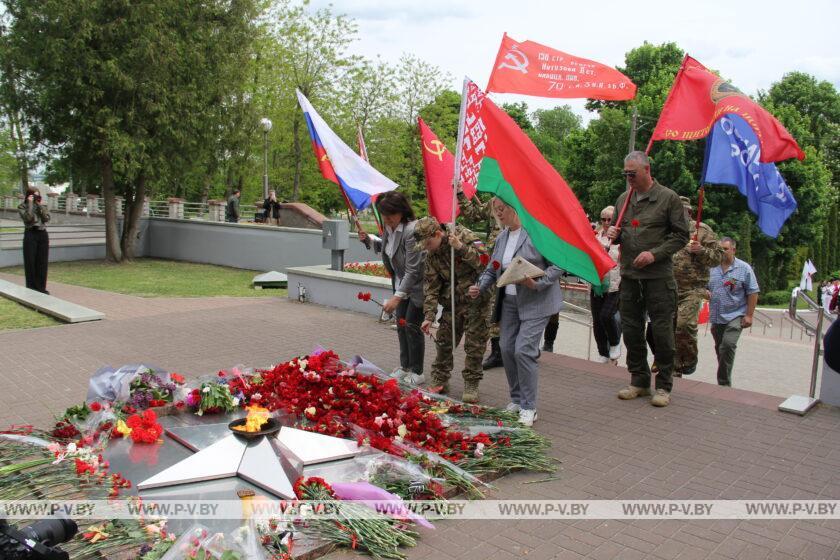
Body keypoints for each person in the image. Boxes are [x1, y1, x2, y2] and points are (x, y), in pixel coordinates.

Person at [469, 198, 563, 426]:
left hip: (537, 301)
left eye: (502, 209)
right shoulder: (502, 237)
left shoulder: (537, 233)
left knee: (524, 350)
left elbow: (558, 265)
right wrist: (479, 286)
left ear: (514, 207)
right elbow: (492, 268)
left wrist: (537, 283)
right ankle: (517, 399)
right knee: (506, 348)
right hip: (509, 302)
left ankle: (530, 407)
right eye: (495, 210)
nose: (498, 214)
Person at [607, 151, 689, 407]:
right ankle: (639, 380)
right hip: (630, 276)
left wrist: (654, 255)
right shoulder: (624, 199)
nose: (628, 178)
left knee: (662, 331)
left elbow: (681, 236)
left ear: (646, 170)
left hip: (657, 277)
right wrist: (614, 233)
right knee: (631, 329)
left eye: (632, 173)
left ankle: (663, 385)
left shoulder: (668, 198)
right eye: (625, 174)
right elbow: (621, 235)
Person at [415, 215, 491, 403]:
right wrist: (429, 316)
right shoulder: (432, 255)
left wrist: (461, 248)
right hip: (452, 302)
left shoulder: (463, 236)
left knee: (475, 344)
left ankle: (471, 383)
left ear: (438, 233)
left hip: (476, 301)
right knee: (444, 340)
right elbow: (431, 287)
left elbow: (486, 263)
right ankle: (441, 379)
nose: (427, 247)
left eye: (428, 243)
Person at [358, 192, 425, 385]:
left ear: (401, 211)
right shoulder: (389, 228)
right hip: (400, 285)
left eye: (390, 214)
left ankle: (418, 371)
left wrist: (396, 298)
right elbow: (388, 249)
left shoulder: (412, 231)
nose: (386, 219)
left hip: (418, 287)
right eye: (384, 214)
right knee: (402, 326)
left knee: (412, 326)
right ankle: (405, 367)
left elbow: (413, 270)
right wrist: (368, 240)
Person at [672, 196, 723, 377]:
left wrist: (701, 250)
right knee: (667, 328)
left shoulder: (702, 231)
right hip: (668, 287)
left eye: (682, 211)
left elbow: (718, 257)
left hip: (692, 289)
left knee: (683, 325)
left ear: (690, 212)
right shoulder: (666, 229)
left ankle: (689, 360)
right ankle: (674, 365)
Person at [456, 184, 504, 369]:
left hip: (513, 260)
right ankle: (497, 352)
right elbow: (473, 214)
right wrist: (460, 193)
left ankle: (518, 349)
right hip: (493, 261)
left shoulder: (520, 204)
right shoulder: (493, 202)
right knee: (494, 305)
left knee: (512, 306)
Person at [708, 237, 760, 386]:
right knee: (721, 350)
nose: (721, 252)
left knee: (728, 345)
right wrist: (704, 292)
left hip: (736, 315)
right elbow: (702, 285)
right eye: (719, 249)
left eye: (725, 249)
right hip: (717, 316)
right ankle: (724, 377)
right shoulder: (711, 268)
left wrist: (749, 315)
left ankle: (723, 384)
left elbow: (753, 292)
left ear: (733, 250)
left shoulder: (744, 268)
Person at [590, 205, 622, 363]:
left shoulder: (621, 238)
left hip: (614, 285)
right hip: (597, 283)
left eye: (610, 219)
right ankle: (603, 351)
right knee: (597, 320)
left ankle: (615, 343)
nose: (607, 222)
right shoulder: (594, 236)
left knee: (607, 315)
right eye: (604, 219)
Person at [18, 187, 51, 294]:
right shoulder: (22, 206)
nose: (37, 197)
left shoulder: (41, 206)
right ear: (29, 195)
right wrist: (31, 204)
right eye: (34, 195)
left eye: (38, 195)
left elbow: (46, 218)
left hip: (42, 234)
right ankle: (31, 288)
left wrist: (39, 204)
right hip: (31, 233)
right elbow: (29, 218)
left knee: (42, 262)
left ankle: (41, 288)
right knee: (30, 262)